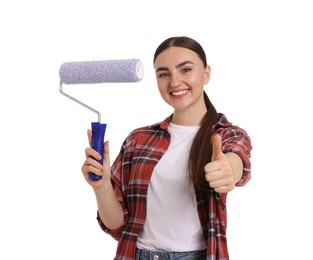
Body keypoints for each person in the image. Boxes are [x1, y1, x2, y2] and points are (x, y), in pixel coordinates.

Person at [81, 36, 252, 260]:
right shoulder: (138, 139)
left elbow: (237, 158)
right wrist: (102, 187)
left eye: (185, 70)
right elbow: (117, 225)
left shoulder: (225, 135)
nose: (174, 82)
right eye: (164, 74)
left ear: (206, 73)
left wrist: (228, 169)